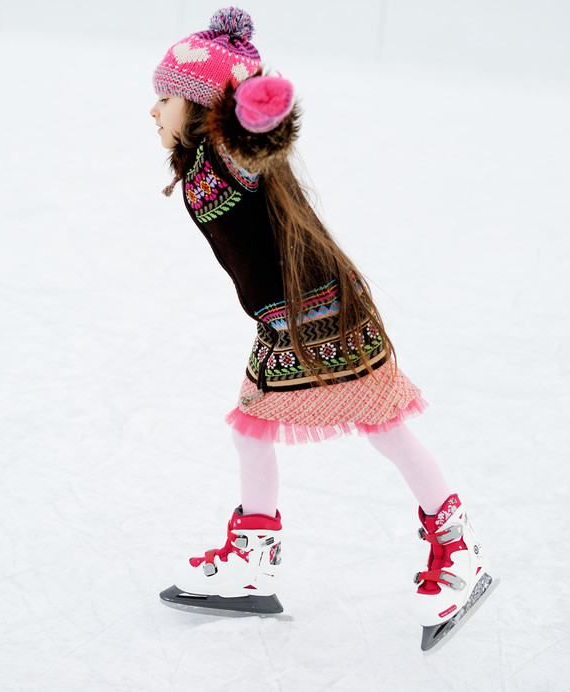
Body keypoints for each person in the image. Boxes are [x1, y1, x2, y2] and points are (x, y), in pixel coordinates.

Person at [150, 7, 496, 651]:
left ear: (201, 110)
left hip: (325, 312)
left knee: (383, 425)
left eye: (166, 97)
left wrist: (256, 110)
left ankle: (459, 551)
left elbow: (256, 142)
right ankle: (252, 565)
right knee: (254, 431)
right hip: (288, 319)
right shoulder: (200, 162)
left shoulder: (227, 154)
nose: (153, 111)